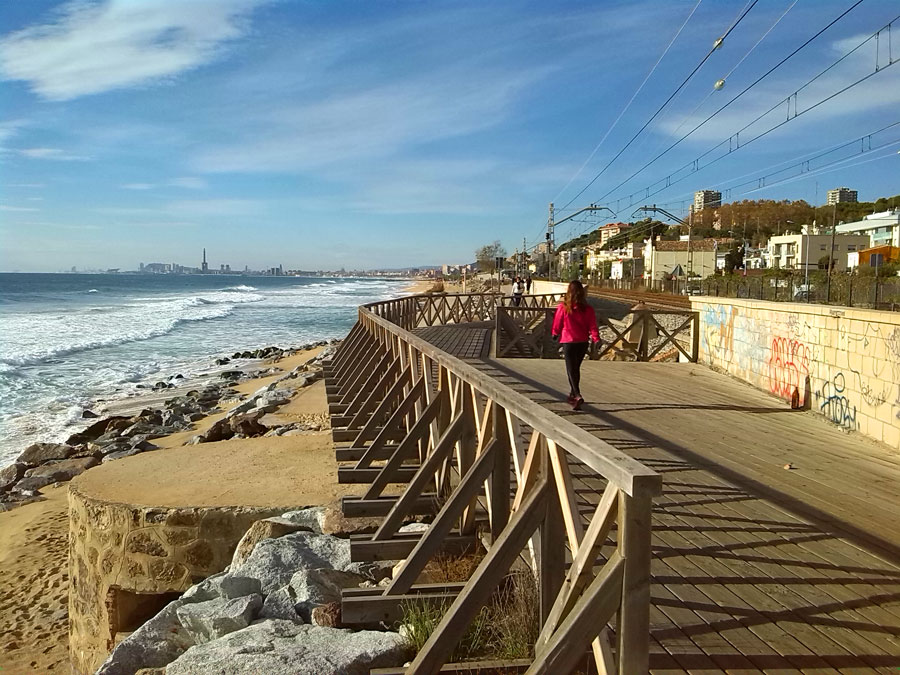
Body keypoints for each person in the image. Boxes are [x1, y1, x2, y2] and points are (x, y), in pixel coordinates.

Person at [551, 280, 599, 409]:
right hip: (582, 342)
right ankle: (572, 395)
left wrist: (555, 333)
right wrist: (596, 338)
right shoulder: (588, 309)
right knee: (575, 368)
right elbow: (593, 325)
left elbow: (558, 322)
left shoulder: (564, 307)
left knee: (571, 369)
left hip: (568, 341)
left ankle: (577, 395)